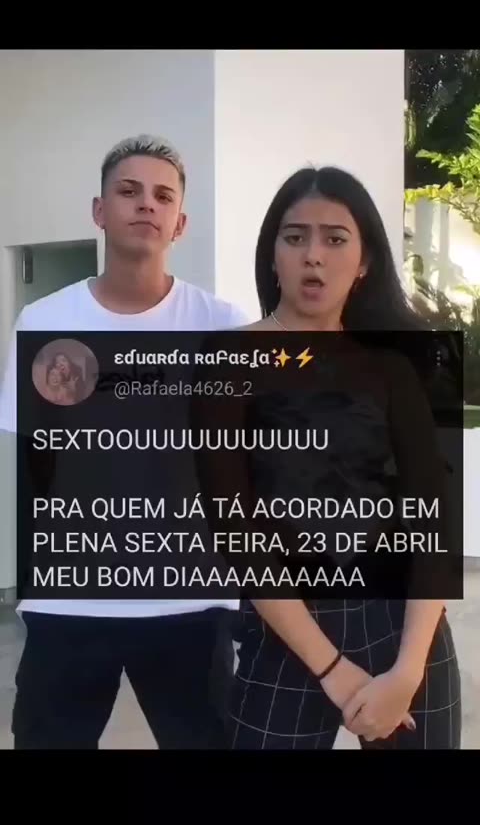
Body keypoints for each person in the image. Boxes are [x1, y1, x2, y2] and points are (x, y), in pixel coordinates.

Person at [194, 165, 462, 750]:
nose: (313, 255)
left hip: (404, 628)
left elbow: (433, 518)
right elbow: (234, 529)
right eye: (295, 237)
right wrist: (333, 670)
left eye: (335, 239)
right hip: (286, 628)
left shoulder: (396, 366)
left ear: (364, 262)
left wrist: (408, 672)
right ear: (273, 255)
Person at [0, 134, 247, 749]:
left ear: (180, 222)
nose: (146, 205)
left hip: (191, 602)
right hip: (70, 603)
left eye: (163, 196)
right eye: (129, 191)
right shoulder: (45, 322)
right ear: (99, 210)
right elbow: (35, 463)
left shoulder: (222, 326)